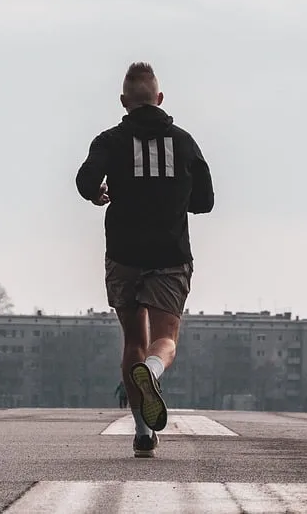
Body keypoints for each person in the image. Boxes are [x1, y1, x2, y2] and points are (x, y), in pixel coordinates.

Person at [76, 61, 214, 458]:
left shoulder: (109, 140)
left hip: (123, 253)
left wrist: (98, 193)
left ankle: (141, 432)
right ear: (159, 98)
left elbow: (86, 180)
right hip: (170, 254)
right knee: (165, 339)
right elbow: (204, 201)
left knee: (133, 340)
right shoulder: (184, 142)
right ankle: (154, 372)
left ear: (124, 102)